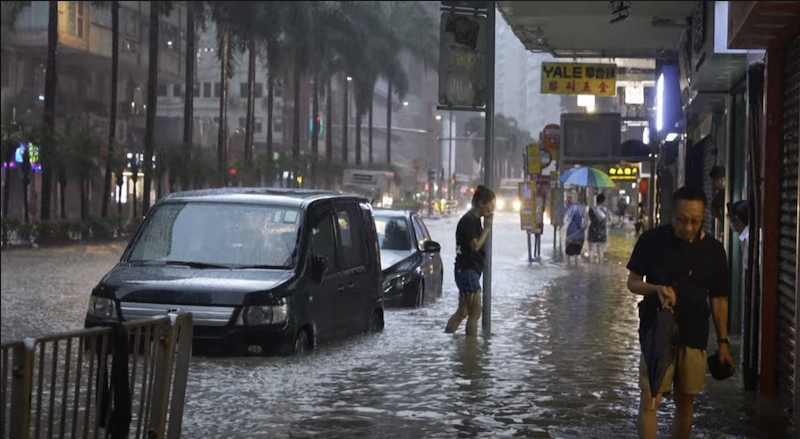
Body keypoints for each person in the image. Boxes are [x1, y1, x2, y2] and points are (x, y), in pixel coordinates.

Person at [626, 186, 734, 439]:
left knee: (685, 403)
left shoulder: (714, 251)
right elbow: (632, 282)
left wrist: (723, 343)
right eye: (682, 220)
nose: (687, 227)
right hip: (657, 332)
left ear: (703, 218)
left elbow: (719, 299)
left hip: (694, 333)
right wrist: (656, 289)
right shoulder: (652, 240)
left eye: (694, 221)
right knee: (651, 399)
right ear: (671, 214)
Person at [445, 185, 495, 337]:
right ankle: (471, 354)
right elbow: (475, 246)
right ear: (481, 203)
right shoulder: (470, 221)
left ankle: (448, 338)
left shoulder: (473, 220)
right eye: (490, 204)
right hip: (468, 271)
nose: (492, 209)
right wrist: (486, 230)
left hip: (465, 270)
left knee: (463, 311)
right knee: (475, 312)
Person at [587, 193, 611, 264]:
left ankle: (591, 265)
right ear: (603, 201)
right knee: (600, 250)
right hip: (602, 232)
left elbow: (589, 220)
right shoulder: (606, 210)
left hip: (592, 231)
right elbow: (609, 221)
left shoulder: (591, 209)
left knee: (591, 249)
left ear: (596, 200)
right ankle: (600, 265)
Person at [564, 192, 586, 265]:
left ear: (575, 197)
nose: (570, 199)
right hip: (581, 235)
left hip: (572, 234)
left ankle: (571, 270)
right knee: (578, 253)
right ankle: (578, 268)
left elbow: (566, 220)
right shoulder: (582, 207)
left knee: (569, 255)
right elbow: (585, 222)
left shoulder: (572, 208)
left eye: (571, 197)